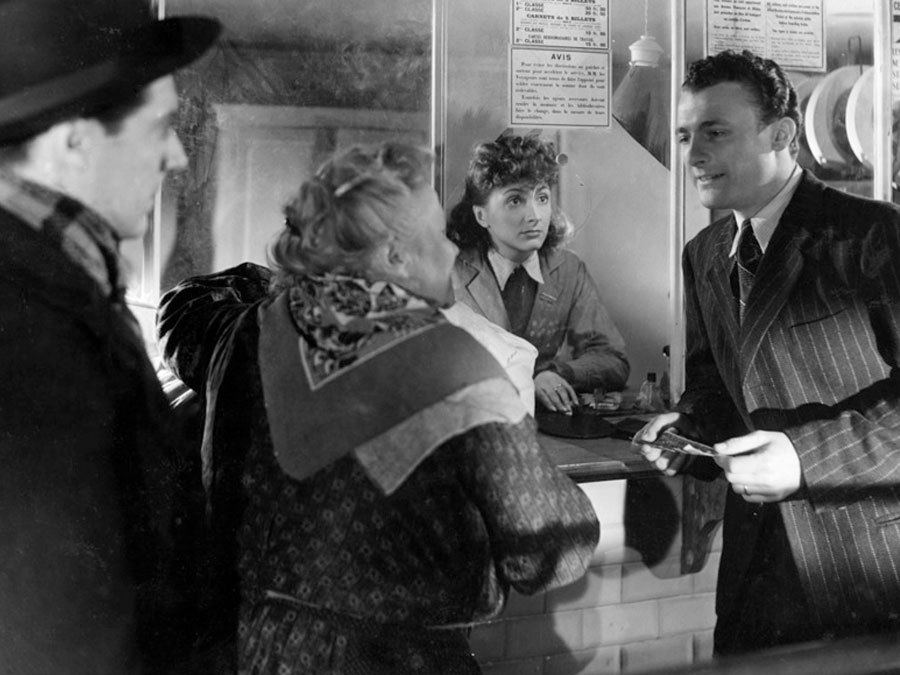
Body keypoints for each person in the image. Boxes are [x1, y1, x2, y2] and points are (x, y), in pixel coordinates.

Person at [157, 141, 600, 674]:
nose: (450, 254)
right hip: (398, 659)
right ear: (393, 256)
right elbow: (546, 550)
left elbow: (189, 306)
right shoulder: (449, 361)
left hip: (259, 652)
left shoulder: (245, 331)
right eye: (437, 238)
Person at [635, 49, 900, 655]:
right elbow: (720, 388)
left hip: (868, 566)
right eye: (684, 134)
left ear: (782, 134)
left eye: (715, 131)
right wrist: (690, 427)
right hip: (757, 574)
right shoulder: (704, 254)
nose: (693, 154)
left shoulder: (874, 235)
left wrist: (805, 458)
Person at [0, 0, 220, 673]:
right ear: (74, 140)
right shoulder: (30, 326)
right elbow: (58, 619)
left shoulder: (53, 273)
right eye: (159, 129)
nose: (179, 157)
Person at [447, 133, 630, 414]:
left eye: (542, 198)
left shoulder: (568, 269)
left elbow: (611, 358)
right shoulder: (452, 273)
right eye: (515, 201)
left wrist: (558, 373)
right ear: (481, 215)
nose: (534, 215)